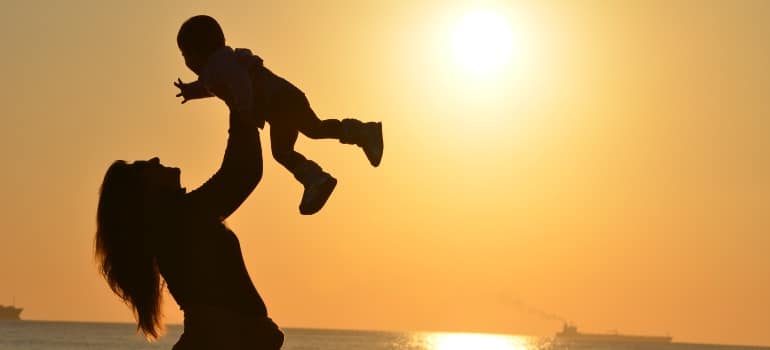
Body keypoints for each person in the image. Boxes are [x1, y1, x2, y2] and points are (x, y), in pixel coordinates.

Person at [95, 112, 283, 349]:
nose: (154, 159)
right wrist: (239, 102)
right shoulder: (178, 220)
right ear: (144, 194)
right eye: (143, 168)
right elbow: (241, 174)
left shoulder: (175, 222)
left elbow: (241, 173)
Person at [174, 15, 384, 215]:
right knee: (309, 132)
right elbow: (212, 86)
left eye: (185, 55)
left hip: (278, 102)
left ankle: (320, 176)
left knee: (293, 144)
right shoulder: (221, 64)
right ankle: (353, 142)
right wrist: (191, 91)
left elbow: (239, 81)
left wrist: (245, 109)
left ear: (197, 53)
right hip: (282, 101)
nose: (186, 62)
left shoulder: (218, 64)